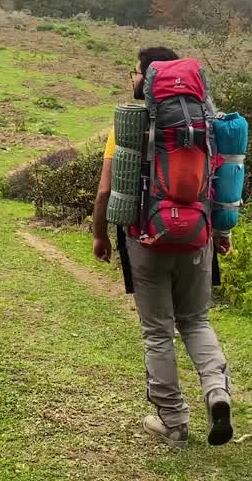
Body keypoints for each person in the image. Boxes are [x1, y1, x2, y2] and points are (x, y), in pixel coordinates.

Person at [92, 46, 233, 450]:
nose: (133, 78)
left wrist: (100, 235)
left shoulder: (129, 125)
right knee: (197, 321)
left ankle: (173, 422)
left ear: (150, 77)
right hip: (197, 238)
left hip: (146, 238)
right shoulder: (205, 121)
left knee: (157, 332)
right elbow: (221, 183)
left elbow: (106, 190)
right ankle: (217, 393)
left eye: (135, 71)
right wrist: (221, 232)